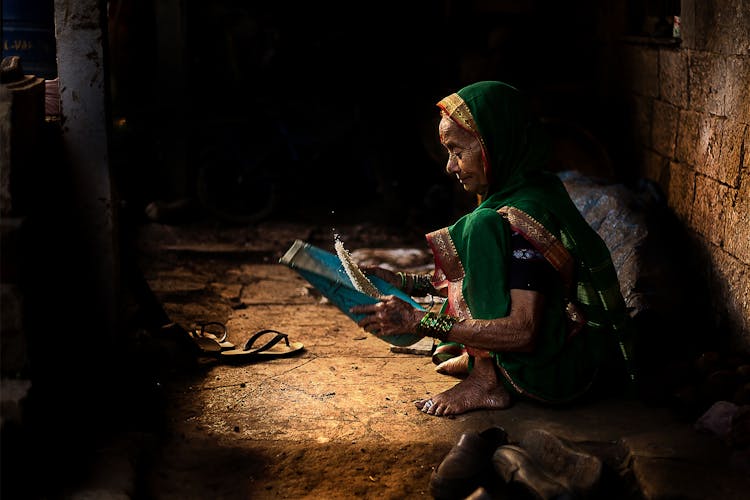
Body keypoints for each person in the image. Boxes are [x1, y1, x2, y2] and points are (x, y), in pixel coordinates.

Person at [351, 80, 634, 417]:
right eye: (448, 153)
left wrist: (418, 321)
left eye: (458, 151)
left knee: (479, 227)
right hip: (563, 346)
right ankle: (482, 362)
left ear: (494, 145)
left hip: (558, 370)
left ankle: (488, 379)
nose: (450, 166)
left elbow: (523, 332)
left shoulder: (521, 215)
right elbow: (486, 279)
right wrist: (403, 281)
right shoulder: (524, 190)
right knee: (478, 227)